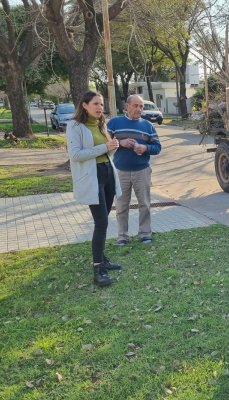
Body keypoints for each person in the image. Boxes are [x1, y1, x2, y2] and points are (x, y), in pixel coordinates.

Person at [67, 91, 122, 287]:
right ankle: (98, 269)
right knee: (101, 223)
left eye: (101, 104)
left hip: (107, 174)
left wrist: (113, 145)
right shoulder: (74, 126)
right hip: (92, 177)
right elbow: (75, 155)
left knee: (104, 220)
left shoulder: (101, 124)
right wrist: (105, 147)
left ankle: (102, 258)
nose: (100, 107)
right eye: (95, 104)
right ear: (84, 105)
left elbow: (108, 151)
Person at [107, 95, 162, 245]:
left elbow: (157, 147)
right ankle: (122, 236)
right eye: (136, 105)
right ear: (127, 105)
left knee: (144, 204)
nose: (139, 109)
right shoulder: (114, 123)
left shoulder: (147, 125)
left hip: (142, 171)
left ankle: (145, 233)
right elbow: (105, 143)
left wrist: (145, 148)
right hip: (120, 171)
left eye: (141, 106)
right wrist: (120, 142)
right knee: (121, 206)